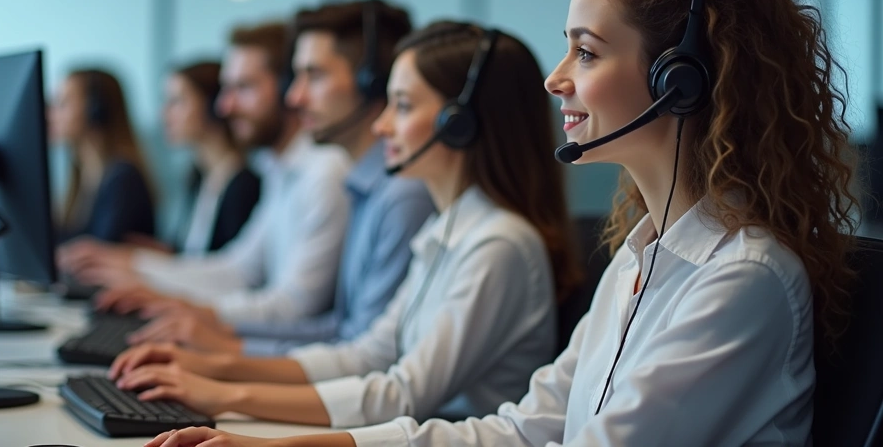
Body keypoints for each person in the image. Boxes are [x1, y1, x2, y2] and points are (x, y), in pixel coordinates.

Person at [137, 0, 860, 447]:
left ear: (681, 79)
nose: (558, 79)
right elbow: (522, 427)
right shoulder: (641, 261)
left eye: (586, 50)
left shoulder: (743, 279)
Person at [111, 21, 581, 431]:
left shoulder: (498, 245)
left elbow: (403, 393)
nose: (381, 127)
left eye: (400, 106)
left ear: (459, 124)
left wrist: (225, 393)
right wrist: (216, 370)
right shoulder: (448, 230)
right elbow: (368, 354)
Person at [122, 0, 435, 356]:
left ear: (371, 83)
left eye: (314, 76)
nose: (295, 97)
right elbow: (339, 330)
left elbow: (362, 351)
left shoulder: (380, 189)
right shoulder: (355, 182)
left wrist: (225, 353)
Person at [58, 22, 352, 325]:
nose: (225, 106)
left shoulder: (323, 173)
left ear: (285, 88)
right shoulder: (280, 169)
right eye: (227, 89)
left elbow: (294, 308)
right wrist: (137, 267)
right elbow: (237, 270)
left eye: (245, 87)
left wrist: (175, 303)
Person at [123, 61, 261, 255]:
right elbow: (194, 256)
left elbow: (225, 268)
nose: (164, 114)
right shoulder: (199, 177)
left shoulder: (243, 186)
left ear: (213, 105)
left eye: (176, 101)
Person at [49, 68, 156, 244]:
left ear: (95, 109)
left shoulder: (123, 178)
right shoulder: (82, 177)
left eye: (62, 104)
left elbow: (100, 251)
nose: (51, 115)